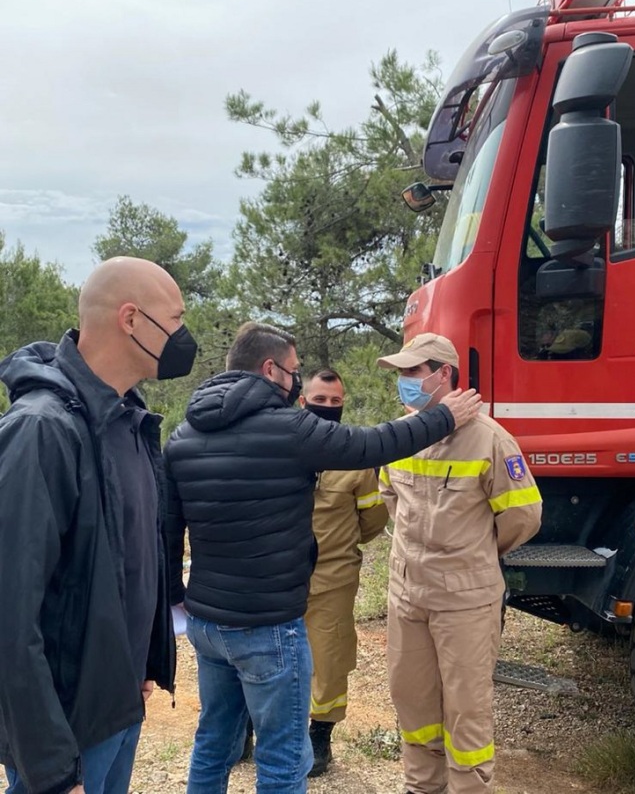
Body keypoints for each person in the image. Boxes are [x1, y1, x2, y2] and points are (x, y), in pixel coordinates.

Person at [163, 322, 481, 794]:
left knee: (212, 742)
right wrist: (444, 418)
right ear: (270, 369)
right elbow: (371, 444)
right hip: (269, 624)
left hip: (207, 624)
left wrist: (176, 596)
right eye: (294, 370)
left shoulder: (182, 436)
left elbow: (168, 531)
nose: (297, 380)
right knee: (283, 758)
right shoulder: (289, 429)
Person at [0, 257, 195, 794]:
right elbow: (9, 612)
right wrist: (51, 767)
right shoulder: (41, 430)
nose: (184, 336)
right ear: (131, 320)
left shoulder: (128, 420)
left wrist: (145, 659)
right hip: (67, 728)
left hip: (118, 703)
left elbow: (133, 555)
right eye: (176, 319)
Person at [376, 332, 543, 794]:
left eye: (413, 371)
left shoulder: (488, 439)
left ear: (444, 374)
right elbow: (390, 495)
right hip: (407, 593)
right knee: (412, 700)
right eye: (402, 373)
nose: (405, 381)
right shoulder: (402, 434)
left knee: (466, 710)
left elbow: (523, 516)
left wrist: (473, 554)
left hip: (465, 600)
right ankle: (421, 786)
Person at [299, 368, 389, 777]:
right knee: (268, 655)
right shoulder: (283, 445)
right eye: (320, 400)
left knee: (329, 658)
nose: (328, 407)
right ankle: (248, 728)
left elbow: (372, 521)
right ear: (303, 401)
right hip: (279, 577)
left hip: (333, 578)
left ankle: (320, 737)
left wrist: (337, 545)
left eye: (336, 402)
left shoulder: (355, 456)